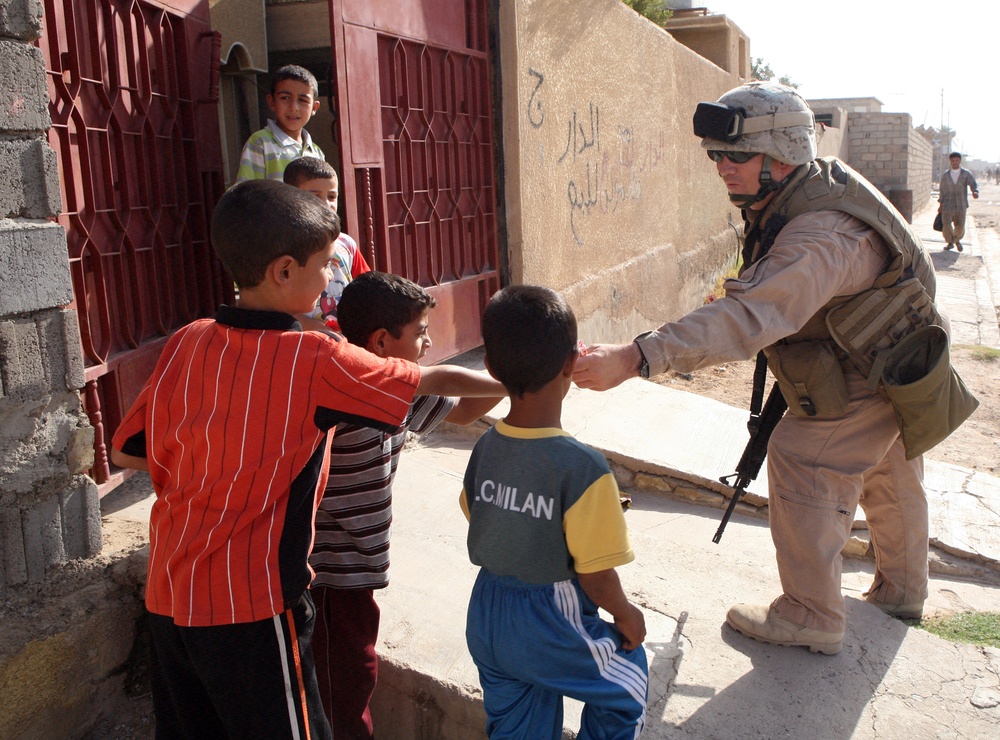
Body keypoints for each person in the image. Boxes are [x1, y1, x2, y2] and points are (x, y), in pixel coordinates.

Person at [109, 179, 505, 738]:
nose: (329, 282)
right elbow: (429, 378)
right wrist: (515, 376)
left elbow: (126, 452)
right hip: (250, 606)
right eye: (325, 266)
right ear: (285, 271)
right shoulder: (312, 358)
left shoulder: (187, 340)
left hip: (170, 594)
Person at [574, 82, 940, 656]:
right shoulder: (812, 191)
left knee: (806, 453)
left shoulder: (821, 234)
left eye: (736, 155)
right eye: (717, 155)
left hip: (873, 364)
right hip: (892, 356)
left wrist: (634, 356)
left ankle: (811, 613)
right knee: (887, 461)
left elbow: (748, 318)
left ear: (783, 154)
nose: (723, 167)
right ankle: (901, 591)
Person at [309, 271, 503, 738]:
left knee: (348, 676)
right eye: (419, 333)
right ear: (380, 342)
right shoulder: (360, 386)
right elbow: (444, 382)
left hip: (352, 568)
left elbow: (459, 410)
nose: (428, 341)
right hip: (331, 570)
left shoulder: (391, 393)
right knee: (343, 686)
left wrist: (507, 383)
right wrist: (523, 378)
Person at [461, 284, 648, 737]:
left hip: (486, 614)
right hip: (548, 615)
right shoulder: (582, 468)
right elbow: (596, 576)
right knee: (629, 685)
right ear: (570, 363)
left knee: (518, 724)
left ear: (490, 367)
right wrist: (626, 614)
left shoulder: (487, 445)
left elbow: (477, 511)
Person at [284, 156, 371, 330]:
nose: (326, 204)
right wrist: (305, 324)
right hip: (299, 337)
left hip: (344, 337)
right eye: (315, 196)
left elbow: (367, 289)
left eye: (332, 197)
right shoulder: (282, 245)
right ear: (290, 196)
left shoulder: (346, 244)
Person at [236, 64, 325, 182]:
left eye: (303, 100)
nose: (294, 108)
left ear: (314, 107)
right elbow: (247, 192)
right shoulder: (260, 143)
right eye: (285, 98)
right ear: (272, 101)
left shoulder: (316, 152)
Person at [938, 151, 979, 252]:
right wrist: (941, 205)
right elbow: (942, 190)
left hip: (961, 205)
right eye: (953, 160)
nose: (955, 162)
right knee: (946, 224)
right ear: (950, 162)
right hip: (947, 205)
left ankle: (956, 240)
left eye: (957, 160)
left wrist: (975, 191)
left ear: (959, 161)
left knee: (960, 226)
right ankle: (950, 242)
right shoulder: (946, 176)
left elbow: (973, 184)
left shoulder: (966, 174)